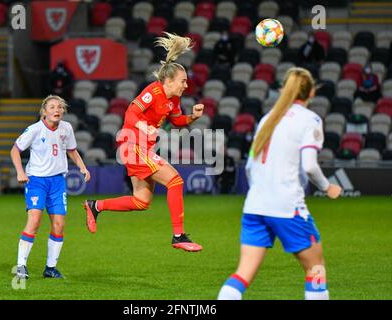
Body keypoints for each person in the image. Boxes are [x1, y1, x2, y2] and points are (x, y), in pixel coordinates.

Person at [217, 67, 342, 300]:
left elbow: (249, 166)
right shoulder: (310, 120)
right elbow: (310, 166)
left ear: (283, 89)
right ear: (311, 93)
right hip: (287, 207)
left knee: (242, 275)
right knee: (316, 269)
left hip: (255, 206)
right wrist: (328, 187)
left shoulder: (268, 118)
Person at [84, 32, 205, 252]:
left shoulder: (174, 98)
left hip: (142, 147)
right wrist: (144, 127)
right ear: (168, 81)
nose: (186, 85)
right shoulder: (153, 91)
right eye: (183, 81)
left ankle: (95, 206)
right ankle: (178, 235)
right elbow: (131, 113)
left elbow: (176, 120)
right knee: (175, 181)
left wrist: (192, 117)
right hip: (133, 145)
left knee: (141, 201)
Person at [11, 95, 90, 279]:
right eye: (52, 107)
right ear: (44, 111)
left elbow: (71, 150)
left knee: (59, 225)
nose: (57, 110)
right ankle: (21, 266)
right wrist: (20, 172)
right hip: (36, 181)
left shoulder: (66, 128)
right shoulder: (35, 129)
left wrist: (82, 166)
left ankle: (50, 268)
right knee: (34, 221)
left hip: (57, 182)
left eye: (60, 107)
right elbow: (15, 149)